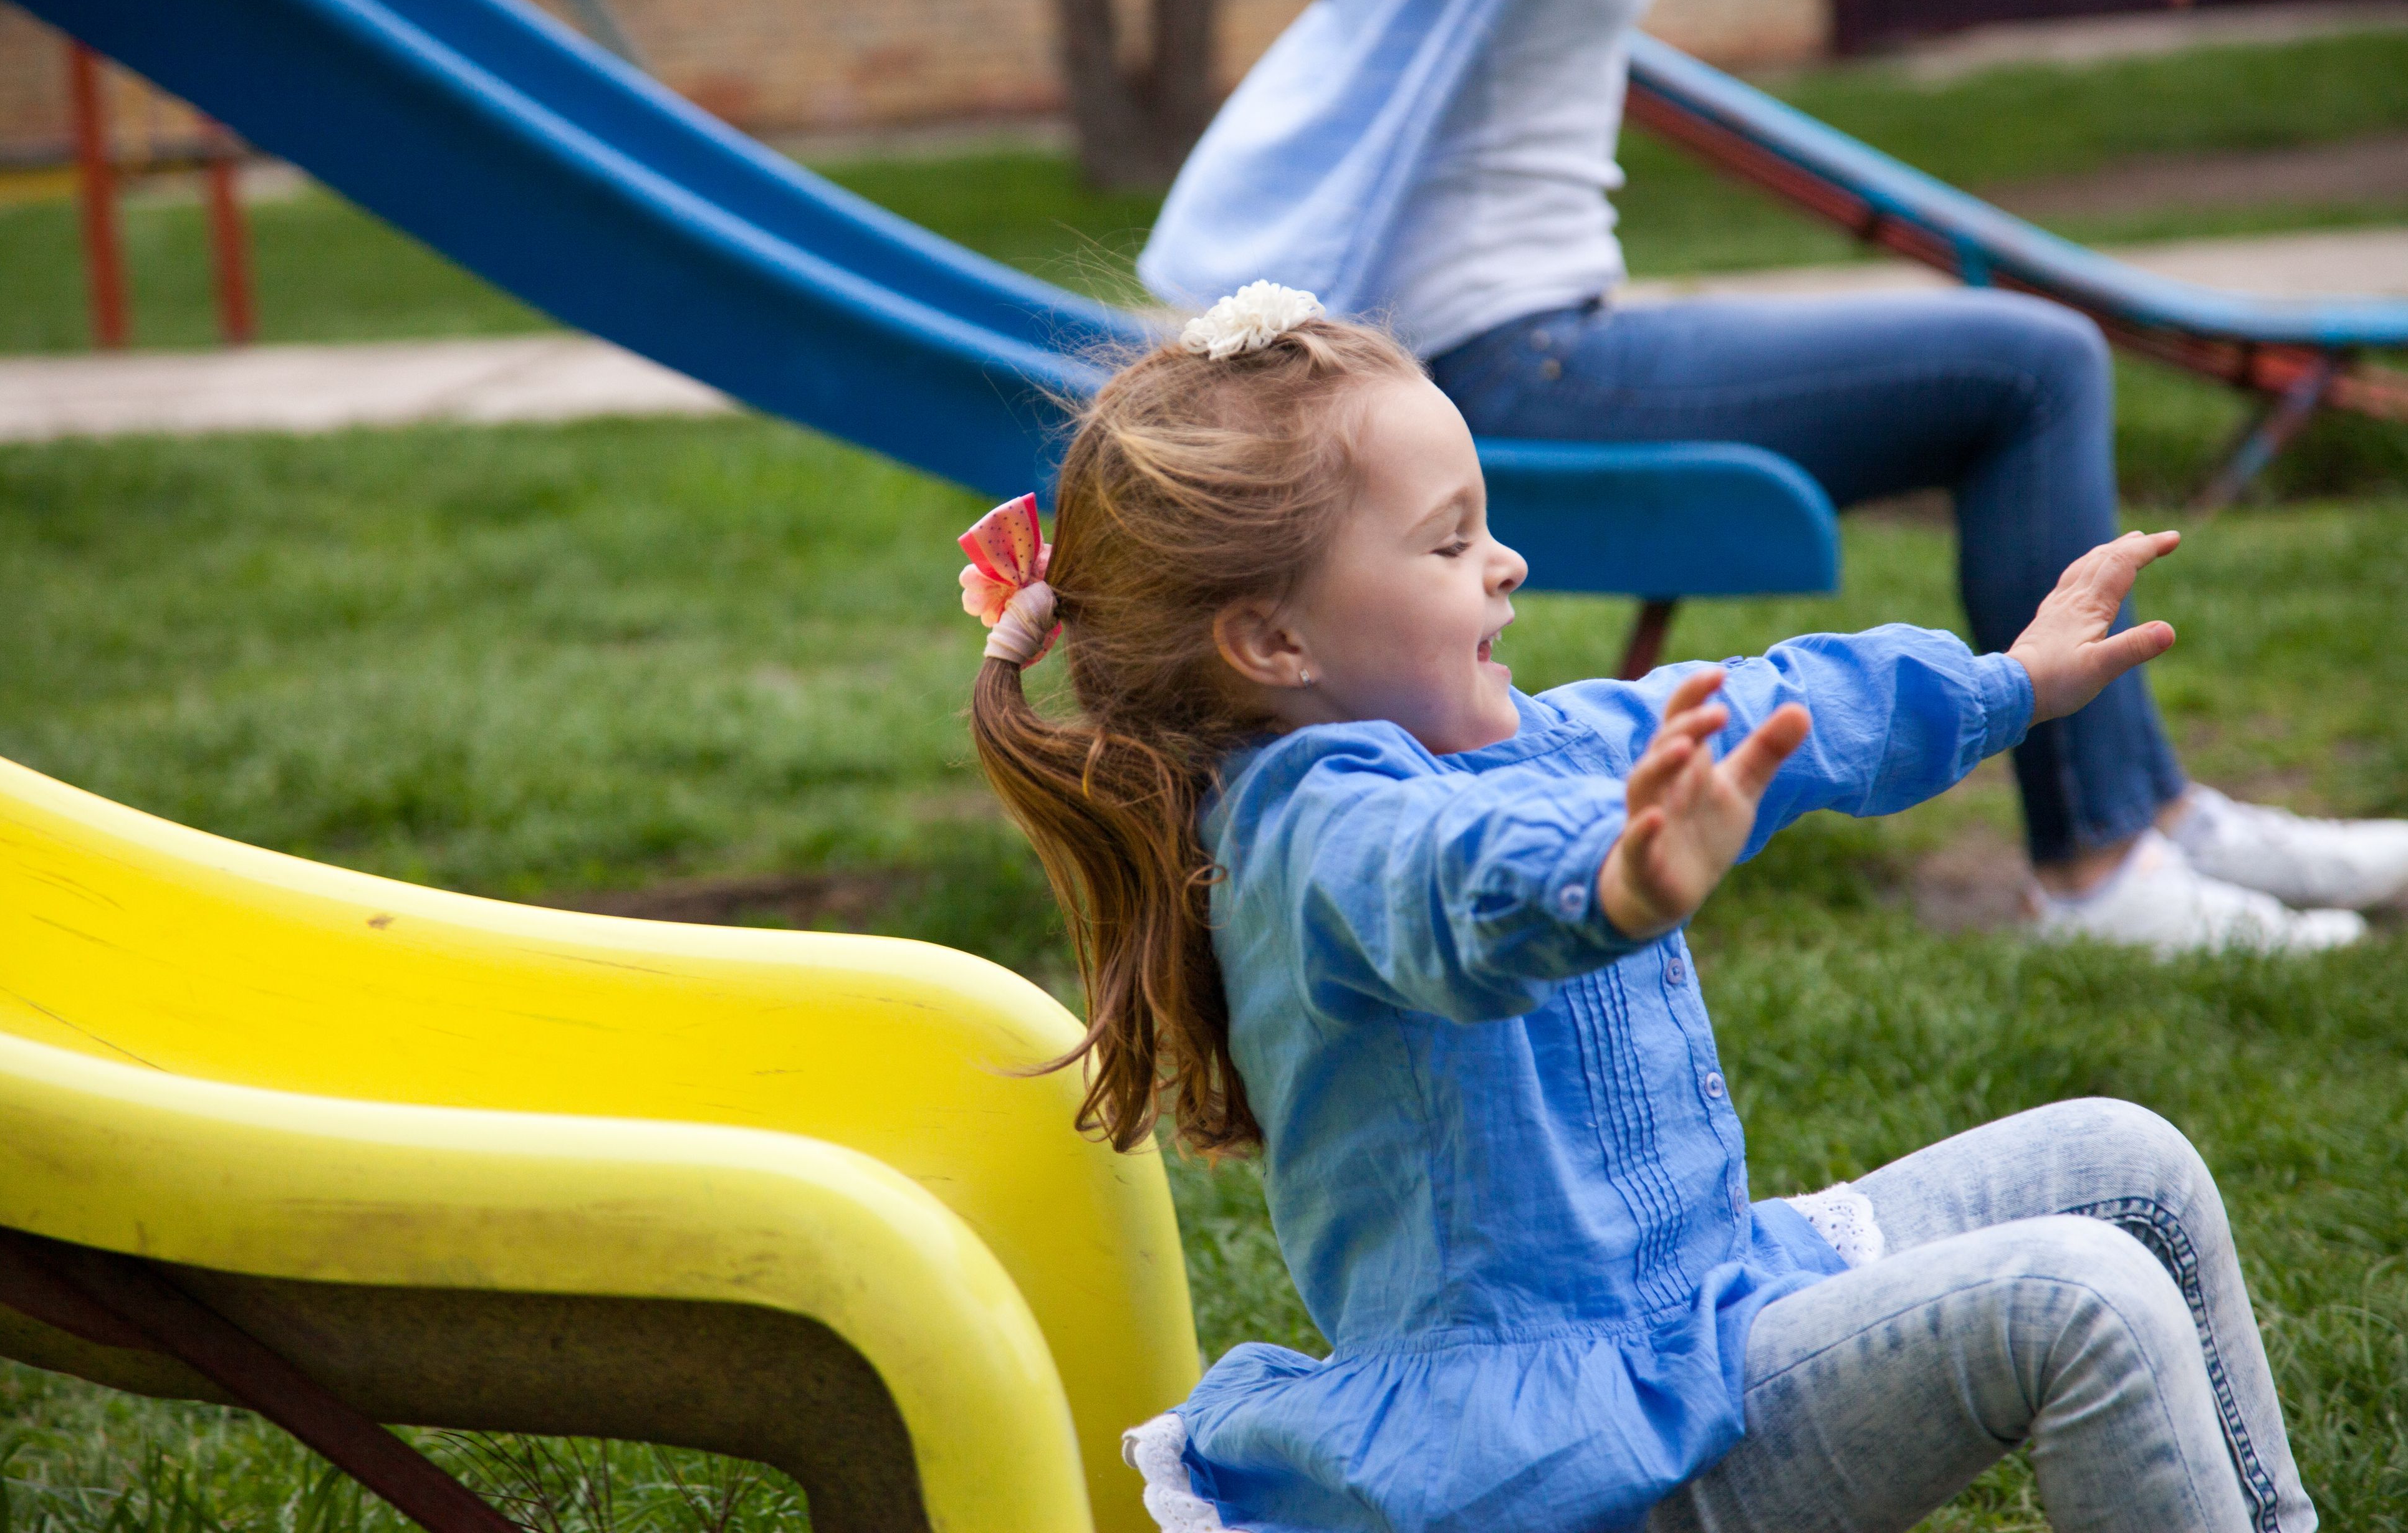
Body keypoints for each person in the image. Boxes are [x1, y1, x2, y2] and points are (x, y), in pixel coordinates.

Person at [958, 289, 2314, 1532]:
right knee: (2078, 1297)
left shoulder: (1524, 736)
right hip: (1580, 1469)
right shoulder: (1306, 830)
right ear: (1275, 644)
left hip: (1701, 1323)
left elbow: (1769, 703)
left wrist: (2004, 683)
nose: (1507, 565)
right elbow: (1449, 883)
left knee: (2125, 1161)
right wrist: (1606, 883)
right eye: (1448, 542)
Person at [1134, 0, 2408, 953]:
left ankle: (2151, 815)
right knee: (2027, 366)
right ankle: (2097, 866)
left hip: (1543, 335)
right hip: (1510, 364)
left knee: (2026, 362)